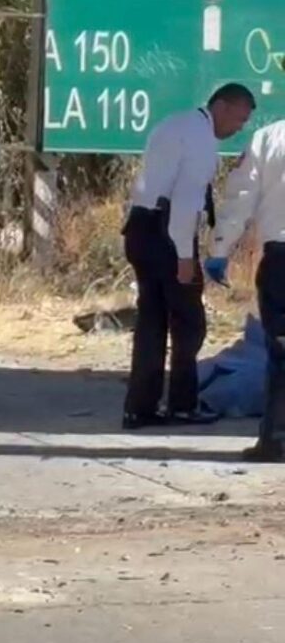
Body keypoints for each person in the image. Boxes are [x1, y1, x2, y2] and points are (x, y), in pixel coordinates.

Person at [122, 83, 255, 430]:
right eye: (239, 120)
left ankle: (140, 407)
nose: (238, 129)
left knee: (152, 321)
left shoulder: (175, 124)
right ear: (222, 107)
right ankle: (183, 404)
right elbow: (184, 203)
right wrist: (184, 256)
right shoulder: (200, 140)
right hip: (168, 233)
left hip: (139, 227)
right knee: (189, 323)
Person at [205, 120, 285, 460]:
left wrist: (219, 251)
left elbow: (240, 199)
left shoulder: (269, 139)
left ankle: (275, 439)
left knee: (281, 353)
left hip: (282, 259)